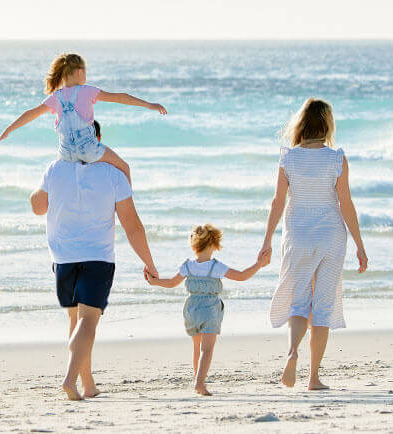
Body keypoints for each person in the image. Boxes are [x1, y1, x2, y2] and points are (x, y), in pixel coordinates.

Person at [29, 121, 160, 401]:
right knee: (88, 321)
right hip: (97, 258)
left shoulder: (54, 169)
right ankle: (69, 379)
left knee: (76, 320)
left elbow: (37, 207)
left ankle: (87, 385)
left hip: (63, 260)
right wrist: (150, 263)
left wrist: (45, 185)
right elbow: (133, 226)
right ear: (99, 140)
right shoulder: (114, 174)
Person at [258, 98, 368, 390]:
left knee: (298, 302)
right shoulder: (336, 158)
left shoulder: (288, 158)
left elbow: (277, 202)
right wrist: (360, 244)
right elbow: (346, 204)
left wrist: (267, 239)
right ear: (327, 123)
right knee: (323, 306)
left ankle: (293, 351)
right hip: (331, 236)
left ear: (301, 122)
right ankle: (314, 377)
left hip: (297, 236)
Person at [0, 52, 167, 184]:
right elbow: (121, 97)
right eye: (84, 72)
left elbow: (29, 114)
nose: (85, 76)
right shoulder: (87, 91)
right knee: (124, 167)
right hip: (88, 150)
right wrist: (150, 105)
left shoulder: (56, 97)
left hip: (65, 154)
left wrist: (5, 132)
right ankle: (125, 204)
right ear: (78, 72)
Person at [147, 224, 271, 396]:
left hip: (191, 309)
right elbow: (242, 276)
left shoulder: (188, 266)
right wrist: (259, 264)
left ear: (195, 245)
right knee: (207, 349)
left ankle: (198, 378)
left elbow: (171, 283)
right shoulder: (215, 266)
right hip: (209, 309)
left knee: (197, 348)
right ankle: (199, 383)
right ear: (214, 244)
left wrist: (155, 282)